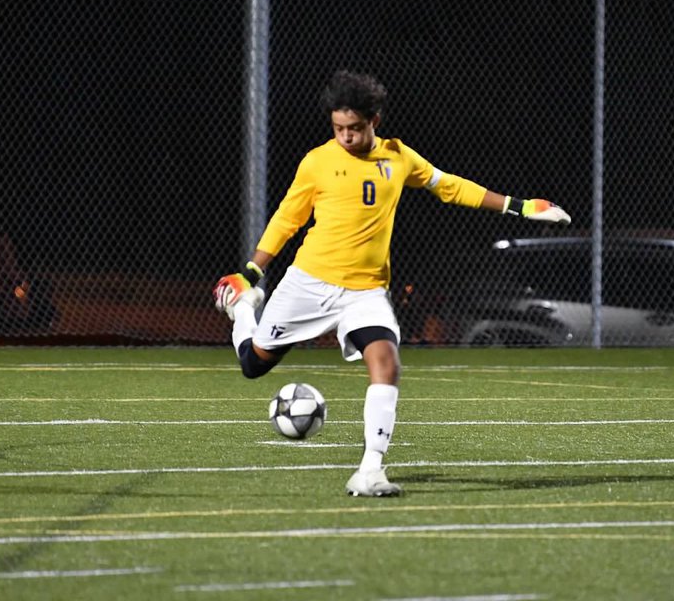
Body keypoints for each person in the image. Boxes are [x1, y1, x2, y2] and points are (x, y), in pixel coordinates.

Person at [213, 69, 570, 497]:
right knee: (254, 364)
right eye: (338, 128)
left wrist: (522, 206)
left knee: (386, 361)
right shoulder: (317, 161)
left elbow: (450, 187)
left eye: (355, 128)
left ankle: (369, 471)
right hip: (308, 283)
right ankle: (244, 309)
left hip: (365, 292)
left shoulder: (399, 158)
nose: (345, 136)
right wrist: (251, 272)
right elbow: (287, 219)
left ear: (375, 121)